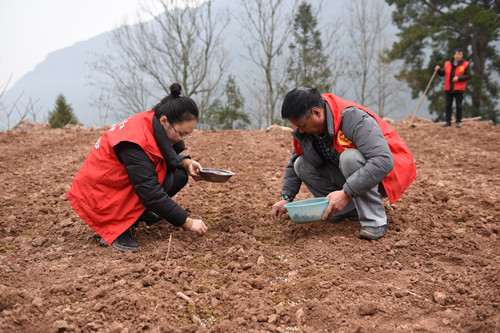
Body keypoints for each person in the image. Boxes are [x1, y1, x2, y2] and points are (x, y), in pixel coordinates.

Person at [67, 83, 207, 252]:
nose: (181, 139)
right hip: (98, 194)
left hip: (117, 184)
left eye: (187, 134)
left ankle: (138, 214)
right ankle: (117, 228)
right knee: (157, 183)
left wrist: (186, 162)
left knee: (177, 175)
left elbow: (167, 150)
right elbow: (151, 194)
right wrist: (187, 223)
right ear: (165, 121)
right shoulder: (135, 144)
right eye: (182, 133)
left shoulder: (154, 120)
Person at [271, 87, 416, 240]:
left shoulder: (353, 118)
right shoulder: (306, 128)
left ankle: (375, 221)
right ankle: (345, 211)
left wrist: (346, 192)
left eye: (302, 125)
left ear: (317, 113)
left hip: (383, 175)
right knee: (301, 164)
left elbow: (383, 161)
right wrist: (286, 197)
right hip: (348, 172)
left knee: (349, 158)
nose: (301, 130)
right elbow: (295, 159)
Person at [435, 48, 471, 128]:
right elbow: (443, 73)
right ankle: (448, 121)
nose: (459, 56)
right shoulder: (447, 64)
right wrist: (438, 70)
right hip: (448, 88)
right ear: (454, 55)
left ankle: (458, 121)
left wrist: (458, 78)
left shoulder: (465, 64)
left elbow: (469, 75)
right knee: (448, 106)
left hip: (459, 89)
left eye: (460, 54)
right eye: (457, 54)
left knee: (459, 106)